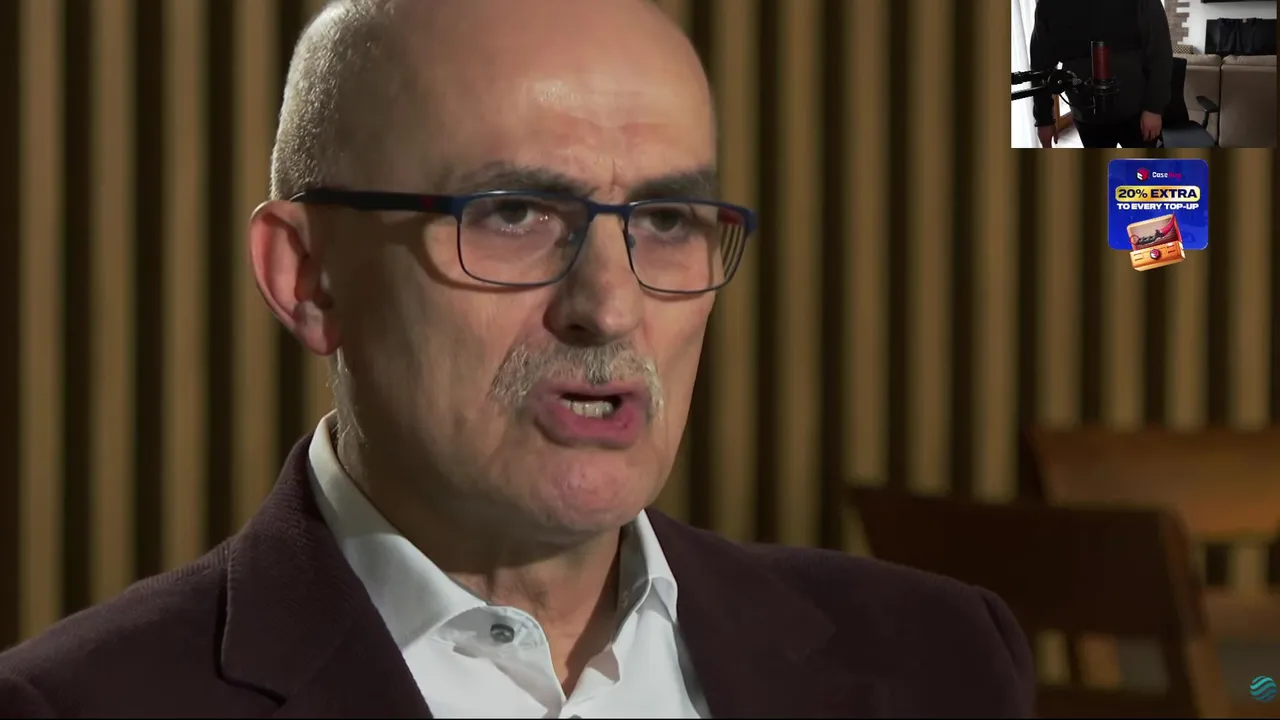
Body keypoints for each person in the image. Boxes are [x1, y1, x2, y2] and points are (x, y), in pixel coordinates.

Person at [0, 0, 1036, 716]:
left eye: (666, 219)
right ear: (307, 275)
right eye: (512, 214)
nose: (609, 307)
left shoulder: (942, 660)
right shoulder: (77, 704)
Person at [1030, 0, 1173, 148]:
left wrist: (1154, 108)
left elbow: (1160, 52)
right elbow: (1040, 64)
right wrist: (1044, 119)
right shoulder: (1049, 5)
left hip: (1138, 111)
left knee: (1141, 162)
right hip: (1086, 113)